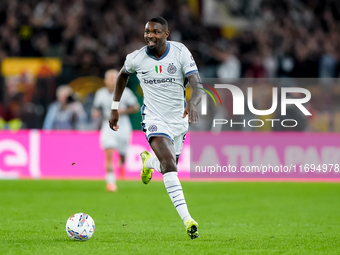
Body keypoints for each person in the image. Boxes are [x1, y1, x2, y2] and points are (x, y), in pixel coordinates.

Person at [109, 16, 203, 239]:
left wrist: (193, 102)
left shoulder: (180, 52)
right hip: (153, 118)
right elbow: (122, 75)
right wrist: (114, 107)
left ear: (166, 34)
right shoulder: (136, 58)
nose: (150, 36)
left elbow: (196, 83)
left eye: (155, 32)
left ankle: (148, 162)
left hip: (179, 119)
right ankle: (188, 219)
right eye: (147, 32)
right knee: (170, 164)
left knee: (165, 166)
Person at [92, 69, 139, 192]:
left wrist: (124, 111)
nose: (112, 80)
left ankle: (122, 164)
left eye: (115, 77)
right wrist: (95, 113)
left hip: (123, 126)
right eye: (110, 77)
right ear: (105, 80)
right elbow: (96, 108)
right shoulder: (100, 93)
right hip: (107, 125)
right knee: (108, 153)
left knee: (123, 154)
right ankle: (111, 182)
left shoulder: (126, 92)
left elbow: (135, 107)